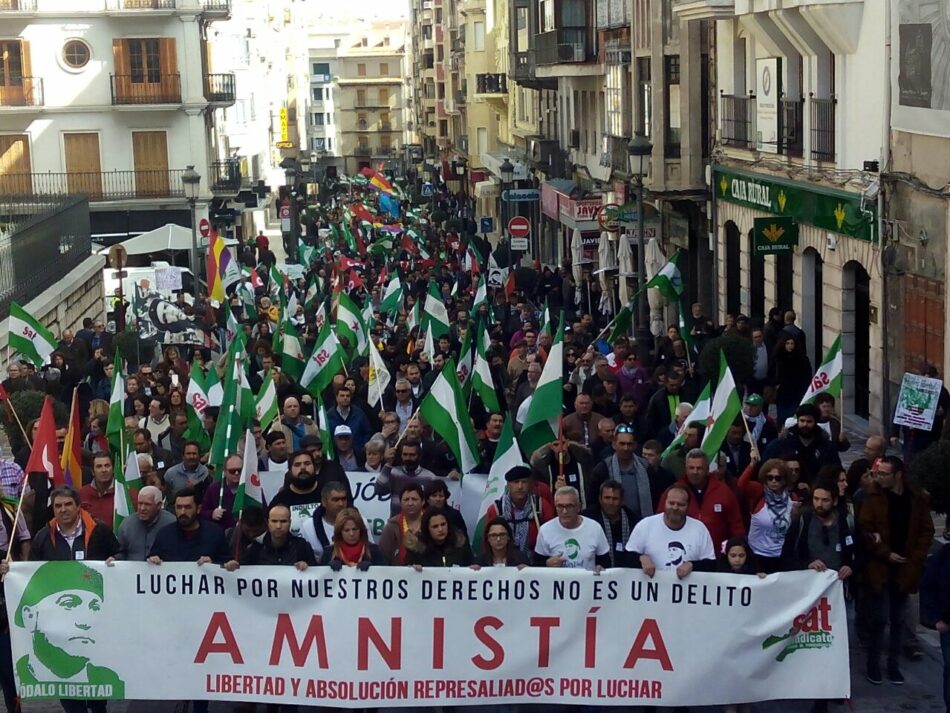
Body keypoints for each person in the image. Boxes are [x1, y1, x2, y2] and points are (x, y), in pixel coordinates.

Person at [858, 456, 933, 685]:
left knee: (898, 619)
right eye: (877, 473)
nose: (878, 477)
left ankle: (893, 665)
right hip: (880, 567)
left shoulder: (917, 498)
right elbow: (866, 528)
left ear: (898, 475)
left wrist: (915, 558)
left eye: (883, 473)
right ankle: (873, 664)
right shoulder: (872, 495)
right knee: (880, 618)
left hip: (905, 568)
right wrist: (884, 552)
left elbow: (926, 530)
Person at [11, 561, 125, 708]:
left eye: (94, 607)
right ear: (30, 616)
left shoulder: (114, 680)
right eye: (69, 604)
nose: (85, 622)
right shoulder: (19, 676)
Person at [657, 448, 745, 552]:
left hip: (717, 556)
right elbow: (659, 521)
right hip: (682, 554)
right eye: (691, 468)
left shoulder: (723, 492)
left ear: (707, 469)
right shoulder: (673, 492)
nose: (695, 472)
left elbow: (736, 526)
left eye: (699, 468)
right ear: (685, 469)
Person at [625, 483, 715, 579]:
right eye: (671, 503)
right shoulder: (646, 525)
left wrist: (692, 565)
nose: (675, 508)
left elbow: (712, 565)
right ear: (665, 503)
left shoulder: (699, 529)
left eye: (681, 504)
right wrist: (641, 558)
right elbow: (626, 557)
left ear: (688, 506)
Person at [737, 458, 799, 573]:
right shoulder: (758, 492)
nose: (773, 481)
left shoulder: (793, 498)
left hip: (781, 557)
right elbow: (740, 485)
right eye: (769, 478)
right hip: (756, 556)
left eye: (778, 478)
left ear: (785, 480)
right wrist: (752, 464)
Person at [480, 466, 554, 556]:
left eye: (524, 482)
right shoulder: (496, 510)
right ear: (508, 484)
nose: (520, 486)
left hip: (535, 559)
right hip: (505, 559)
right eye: (516, 482)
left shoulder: (541, 506)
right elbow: (487, 539)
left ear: (530, 484)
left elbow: (551, 534)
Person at [534, 486, 609, 572]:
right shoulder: (545, 530)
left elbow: (605, 561)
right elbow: (536, 564)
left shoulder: (595, 528)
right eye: (560, 506)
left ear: (578, 507)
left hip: (587, 583)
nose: (564, 511)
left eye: (570, 506)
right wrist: (547, 563)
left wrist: (601, 568)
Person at [147, 488, 230, 566]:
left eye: (188, 507)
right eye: (179, 507)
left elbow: (227, 564)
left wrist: (213, 564)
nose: (183, 512)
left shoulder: (215, 533)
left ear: (198, 509)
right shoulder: (164, 534)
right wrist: (153, 560)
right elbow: (151, 559)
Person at [224, 503, 316, 571]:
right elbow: (243, 574)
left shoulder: (302, 546)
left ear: (290, 522)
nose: (278, 526)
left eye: (283, 521)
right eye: (274, 521)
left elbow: (318, 574)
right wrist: (233, 567)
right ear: (268, 522)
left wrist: (307, 567)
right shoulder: (255, 548)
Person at [376, 440, 440, 514]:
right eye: (405, 455)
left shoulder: (430, 477)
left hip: (421, 522)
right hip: (396, 522)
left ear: (419, 456)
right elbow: (379, 490)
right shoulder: (394, 473)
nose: (408, 458)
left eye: (412, 455)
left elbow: (435, 505)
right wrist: (388, 464)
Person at [113, 485, 175, 561]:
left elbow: (178, 554)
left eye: (147, 504)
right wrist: (115, 558)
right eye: (140, 503)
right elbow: (121, 553)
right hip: (132, 571)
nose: (142, 508)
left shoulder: (172, 523)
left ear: (159, 505)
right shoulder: (127, 524)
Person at [583, 481, 635, 568]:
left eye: (615, 499)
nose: (611, 502)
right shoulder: (588, 519)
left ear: (622, 501)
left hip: (626, 575)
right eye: (607, 498)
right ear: (600, 499)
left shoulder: (633, 520)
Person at [80, 453, 137, 525]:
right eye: (99, 466)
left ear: (113, 469)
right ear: (92, 471)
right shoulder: (82, 493)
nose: (104, 470)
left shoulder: (128, 494)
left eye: (107, 466)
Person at [406, 508, 473, 568]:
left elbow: (470, 565)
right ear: (427, 529)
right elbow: (406, 572)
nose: (440, 529)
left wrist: (474, 569)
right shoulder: (416, 550)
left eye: (443, 524)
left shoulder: (460, 545)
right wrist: (413, 570)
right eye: (435, 526)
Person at [298, 482, 349, 561]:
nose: (341, 503)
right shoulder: (308, 527)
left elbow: (370, 551)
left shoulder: (359, 522)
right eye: (335, 500)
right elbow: (300, 557)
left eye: (344, 499)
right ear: (324, 502)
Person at [379, 484, 426, 565]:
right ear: (400, 503)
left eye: (414, 499)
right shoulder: (391, 526)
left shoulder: (432, 522)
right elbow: (382, 557)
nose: (410, 503)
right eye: (406, 499)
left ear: (423, 502)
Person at [199, 453, 243, 531]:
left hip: (244, 533)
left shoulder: (250, 488)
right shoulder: (214, 489)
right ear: (225, 472)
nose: (236, 473)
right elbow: (202, 513)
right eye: (232, 471)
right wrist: (212, 514)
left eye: (239, 470)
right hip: (221, 532)